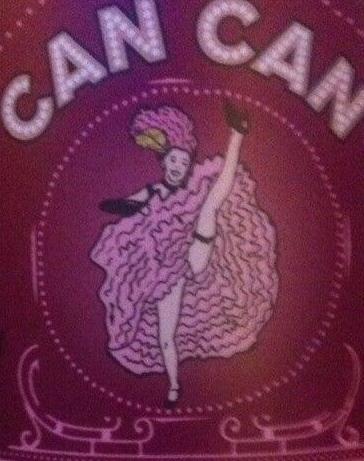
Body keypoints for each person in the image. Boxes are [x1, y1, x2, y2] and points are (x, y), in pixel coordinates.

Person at [91, 102, 279, 408]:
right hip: (169, 273)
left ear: (188, 164)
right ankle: (174, 386)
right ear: (164, 163)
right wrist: (113, 206)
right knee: (166, 336)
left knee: (210, 205)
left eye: (183, 161)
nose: (178, 165)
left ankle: (236, 135)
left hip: (195, 254)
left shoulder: (194, 191)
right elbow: (127, 204)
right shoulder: (153, 192)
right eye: (173, 160)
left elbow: (218, 192)